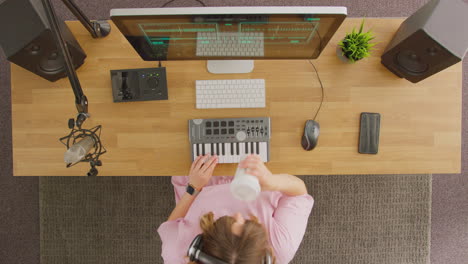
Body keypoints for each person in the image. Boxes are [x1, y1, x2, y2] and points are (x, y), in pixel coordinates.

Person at [157, 154, 314, 263]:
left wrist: (193, 188)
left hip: (200, 180)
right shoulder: (281, 247)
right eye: (247, 223)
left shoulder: (178, 253)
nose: (239, 215)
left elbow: (170, 226)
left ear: (201, 243)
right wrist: (272, 182)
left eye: (229, 220)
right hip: (258, 173)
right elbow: (298, 194)